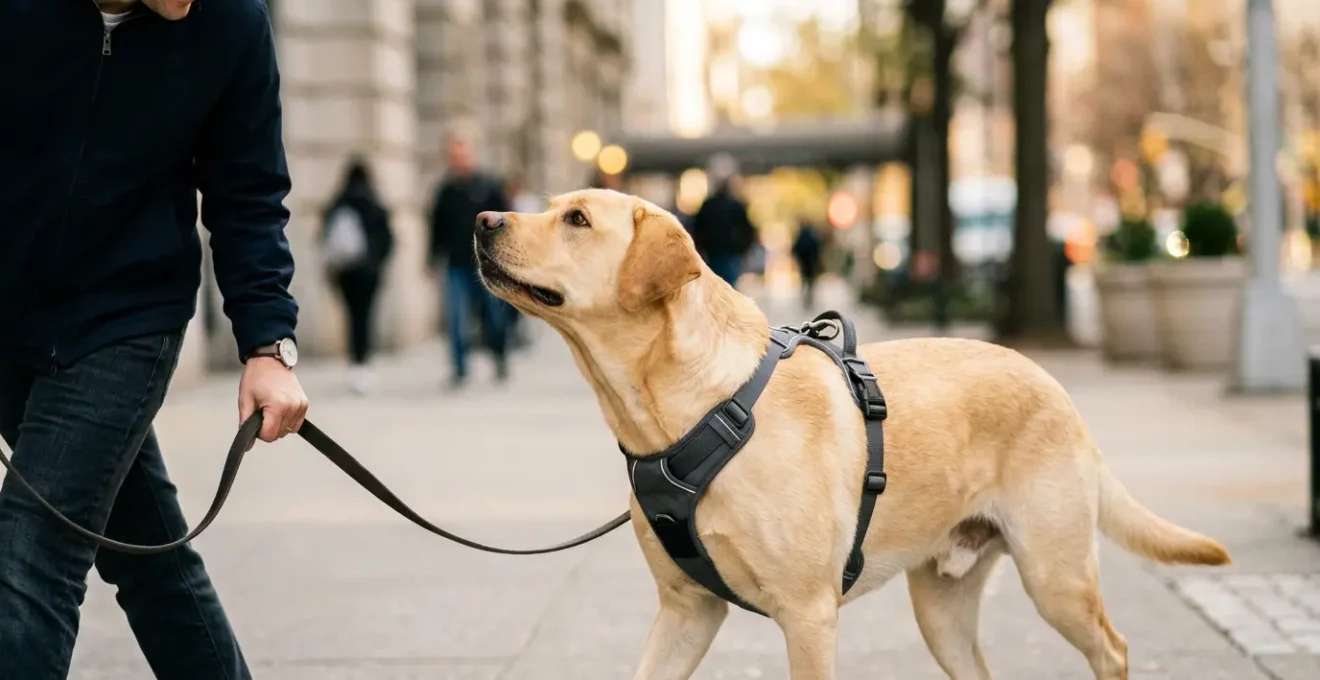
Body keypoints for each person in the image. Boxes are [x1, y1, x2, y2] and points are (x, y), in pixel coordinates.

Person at [0, 1, 309, 679]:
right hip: (12, 314)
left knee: (30, 554)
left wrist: (268, 346)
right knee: (149, 557)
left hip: (129, 323)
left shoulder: (232, 21)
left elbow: (248, 196)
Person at [427, 134, 514, 386]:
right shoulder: (446, 190)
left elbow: (507, 221)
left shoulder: (489, 186)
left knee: (494, 316)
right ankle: (460, 367)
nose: (458, 161)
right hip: (456, 264)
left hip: (488, 264)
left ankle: (499, 356)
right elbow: (436, 228)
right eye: (453, 157)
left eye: (462, 155)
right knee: (456, 317)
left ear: (471, 155)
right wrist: (433, 260)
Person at [320, 158, 395, 395]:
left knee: (352, 316)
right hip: (368, 272)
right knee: (365, 316)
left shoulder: (339, 202)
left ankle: (354, 363)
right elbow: (388, 239)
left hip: (346, 272)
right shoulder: (374, 203)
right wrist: (377, 262)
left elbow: (325, 236)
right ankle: (363, 363)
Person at [691, 160, 757, 287]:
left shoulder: (708, 205)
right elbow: (747, 230)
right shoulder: (735, 205)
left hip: (713, 253)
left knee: (716, 288)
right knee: (729, 287)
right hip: (728, 253)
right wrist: (742, 249)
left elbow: (697, 229)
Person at [792, 221, 824, 310]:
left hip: (803, 263)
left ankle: (805, 299)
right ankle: (809, 299)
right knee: (811, 282)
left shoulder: (800, 235)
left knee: (804, 281)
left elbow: (795, 249)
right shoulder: (812, 235)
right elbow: (817, 249)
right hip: (811, 263)